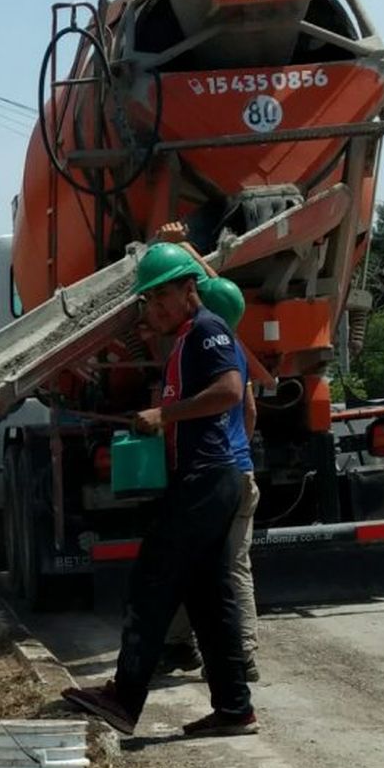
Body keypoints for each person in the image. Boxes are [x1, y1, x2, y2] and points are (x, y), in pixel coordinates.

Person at [62, 242, 258, 738]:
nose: (153, 308)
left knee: (152, 582)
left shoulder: (207, 331)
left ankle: (124, 700)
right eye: (148, 300)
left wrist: (164, 415)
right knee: (209, 597)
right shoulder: (188, 338)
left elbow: (232, 392)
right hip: (214, 476)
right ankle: (235, 709)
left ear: (189, 289)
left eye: (159, 297)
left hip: (207, 477)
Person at [159, 275, 262, 682]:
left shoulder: (207, 344)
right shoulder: (232, 348)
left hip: (217, 475)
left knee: (223, 566)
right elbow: (250, 412)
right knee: (201, 562)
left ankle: (241, 655)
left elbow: (233, 397)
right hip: (236, 471)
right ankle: (182, 644)